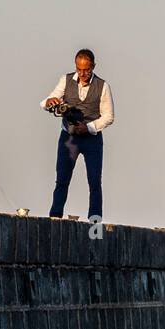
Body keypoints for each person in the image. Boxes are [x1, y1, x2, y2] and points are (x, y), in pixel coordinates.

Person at [41, 48, 114, 220]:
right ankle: (55, 218)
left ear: (93, 67)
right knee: (62, 180)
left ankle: (94, 222)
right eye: (79, 69)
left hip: (92, 139)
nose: (82, 73)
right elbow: (47, 101)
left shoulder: (103, 86)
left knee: (94, 182)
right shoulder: (65, 80)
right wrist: (50, 102)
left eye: (86, 70)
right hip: (69, 138)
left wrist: (88, 127)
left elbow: (109, 116)